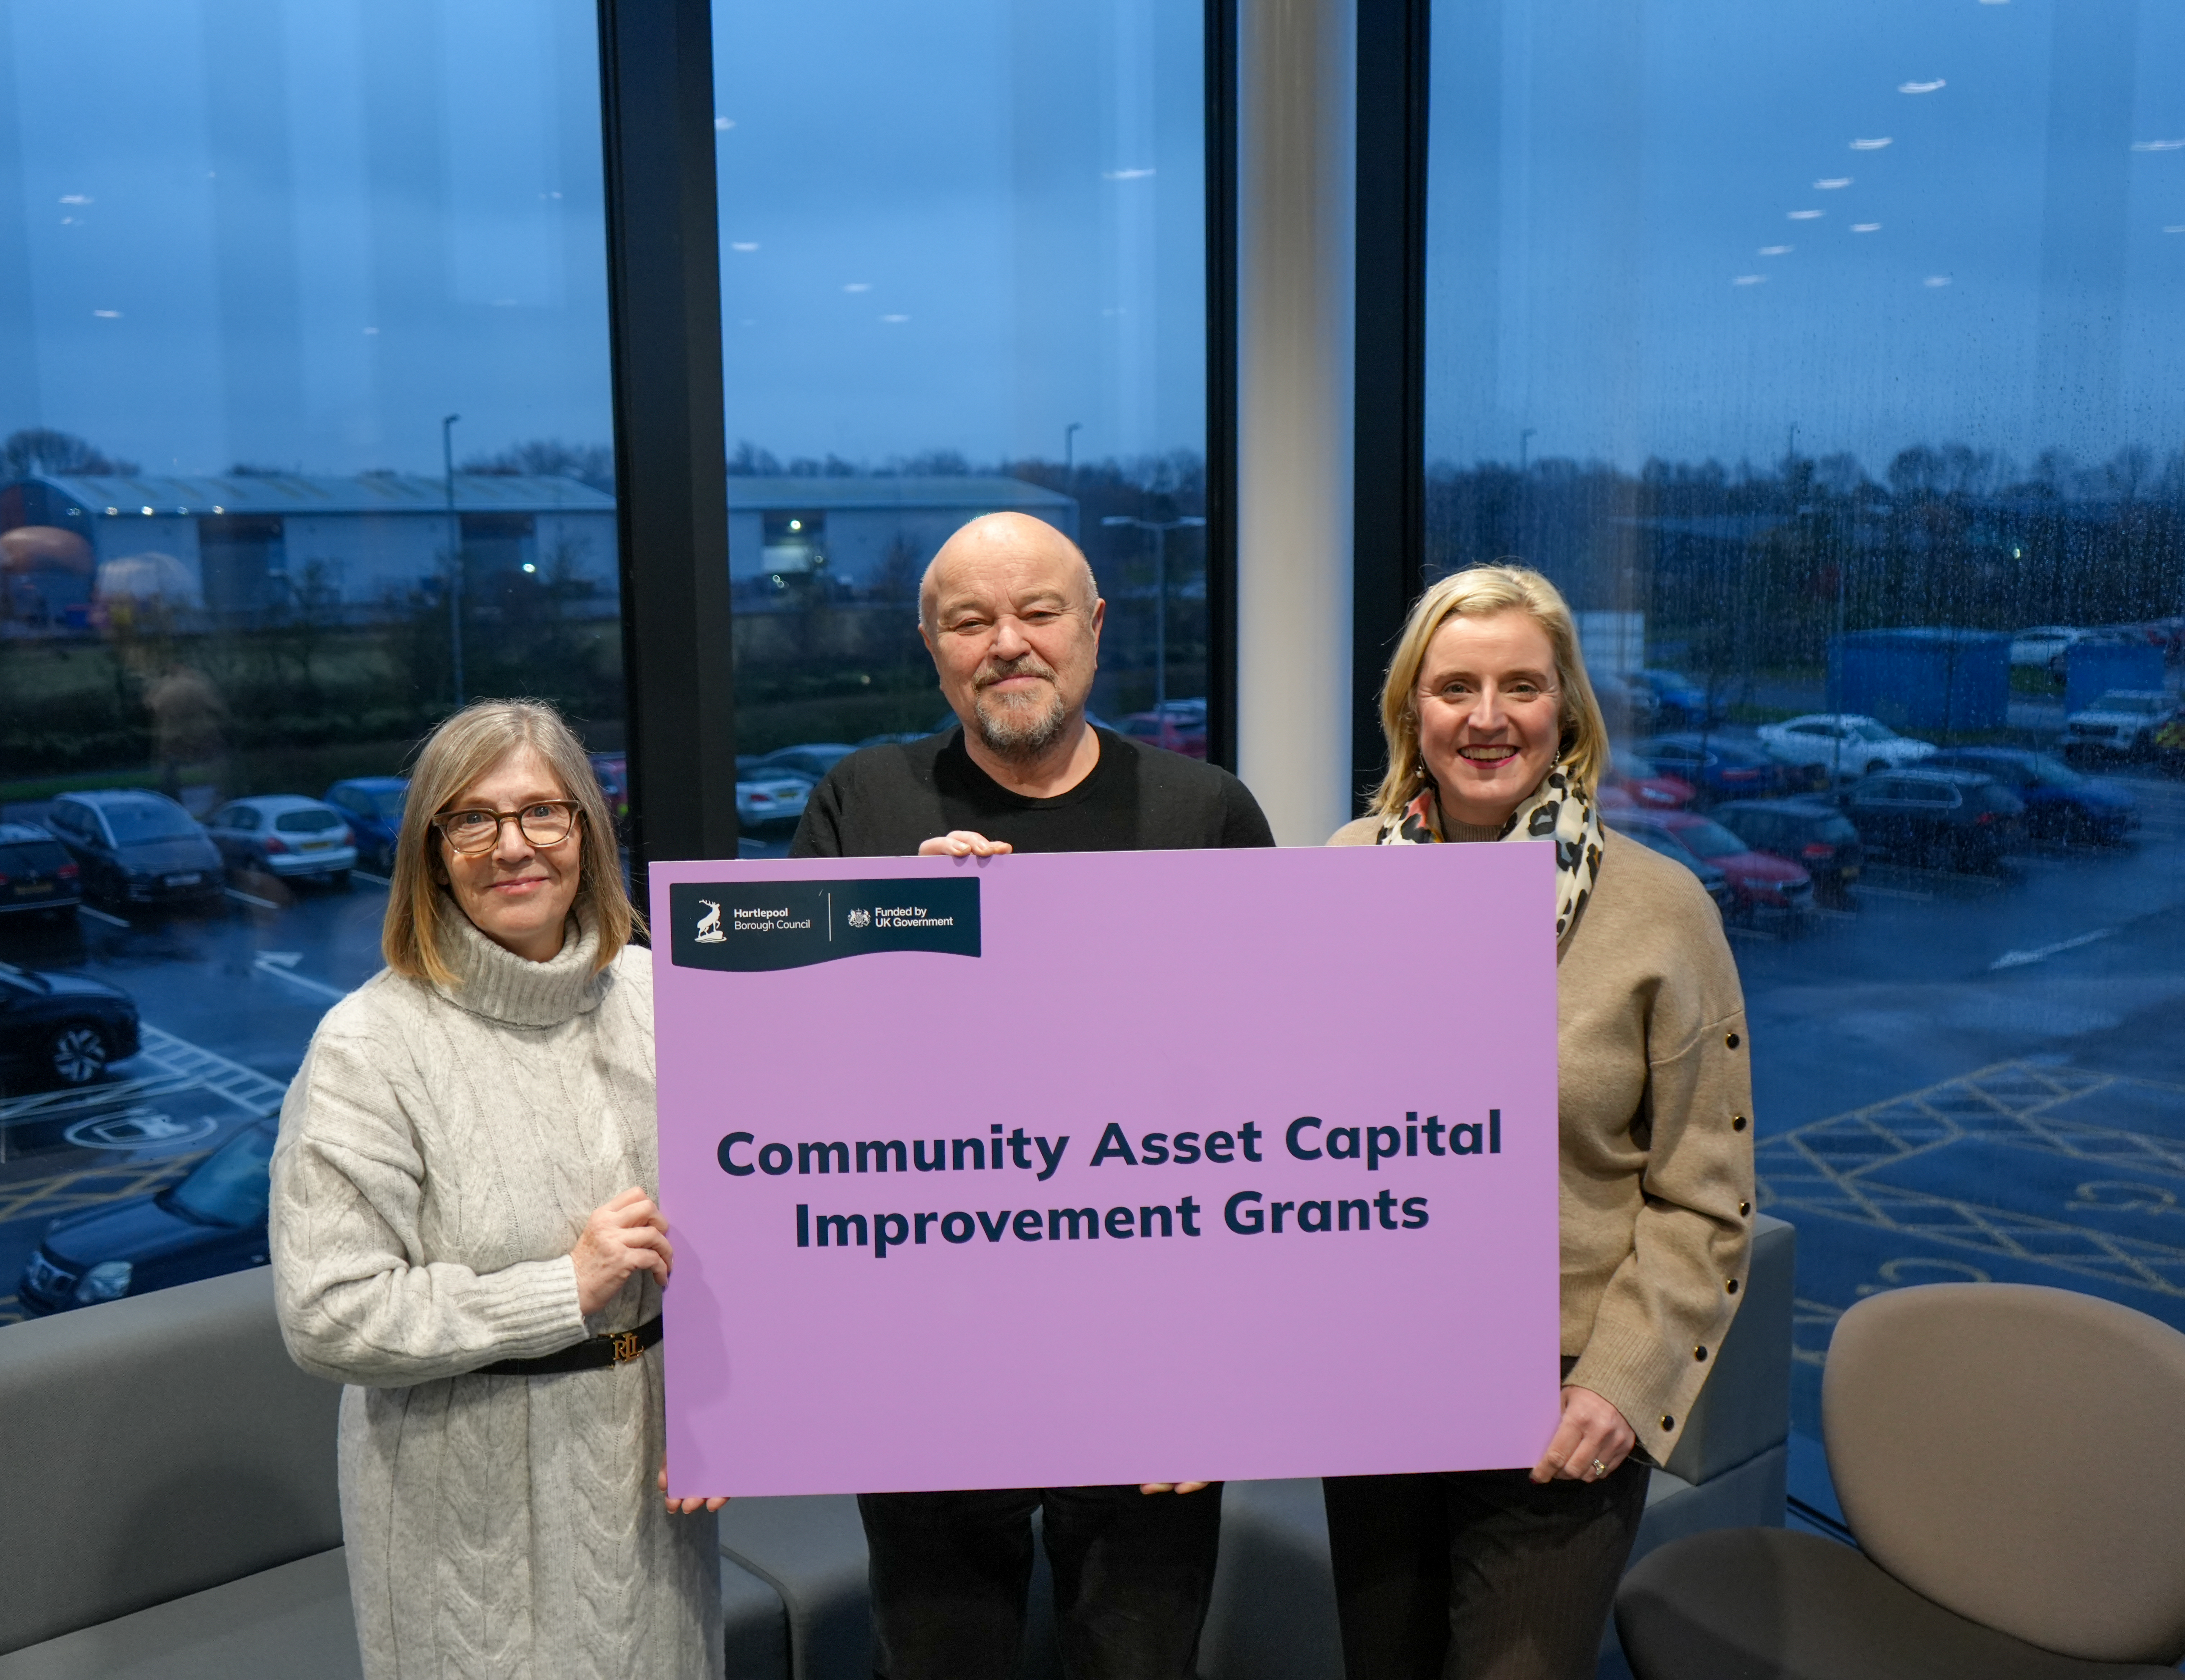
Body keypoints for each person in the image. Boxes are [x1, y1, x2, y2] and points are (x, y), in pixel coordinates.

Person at [790, 511, 1274, 1679]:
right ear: (932, 648)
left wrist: (1224, 1377)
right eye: (970, 621)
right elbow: (787, 1073)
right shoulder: (862, 805)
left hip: (1151, 1358)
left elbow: (1270, 1104)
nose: (1006, 642)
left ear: (1094, 627)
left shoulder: (1205, 814)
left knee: (1139, 1662)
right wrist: (892, 933)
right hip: (926, 1351)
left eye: (1038, 612)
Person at [1324, 565, 1756, 1680]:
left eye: (1519, 685)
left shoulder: (1662, 912)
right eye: (1453, 687)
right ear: (1409, 712)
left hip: (1558, 1403)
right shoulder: (1342, 874)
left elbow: (1705, 1197)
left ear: (1565, 707)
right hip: (1378, 1369)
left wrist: (1623, 1383)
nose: (1485, 718)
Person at [270, 700, 725, 1680]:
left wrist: (735, 1418)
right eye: (472, 820)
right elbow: (326, 1315)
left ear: (586, 831)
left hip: (657, 1493)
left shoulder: (661, 992)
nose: (513, 846)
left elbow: (777, 1193)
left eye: (542, 812)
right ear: (433, 855)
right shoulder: (368, 1048)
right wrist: (562, 1287)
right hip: (466, 1527)